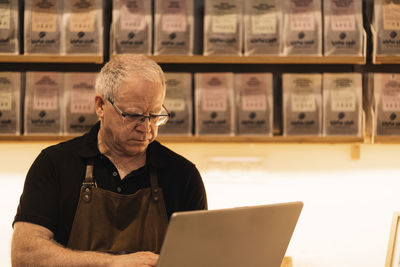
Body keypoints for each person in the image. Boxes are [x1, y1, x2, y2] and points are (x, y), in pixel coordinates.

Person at [11, 54, 207, 267]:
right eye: (133, 115)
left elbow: (200, 258)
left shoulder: (182, 176)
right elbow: (24, 255)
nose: (146, 127)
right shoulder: (54, 165)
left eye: (155, 115)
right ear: (100, 106)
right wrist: (110, 264)